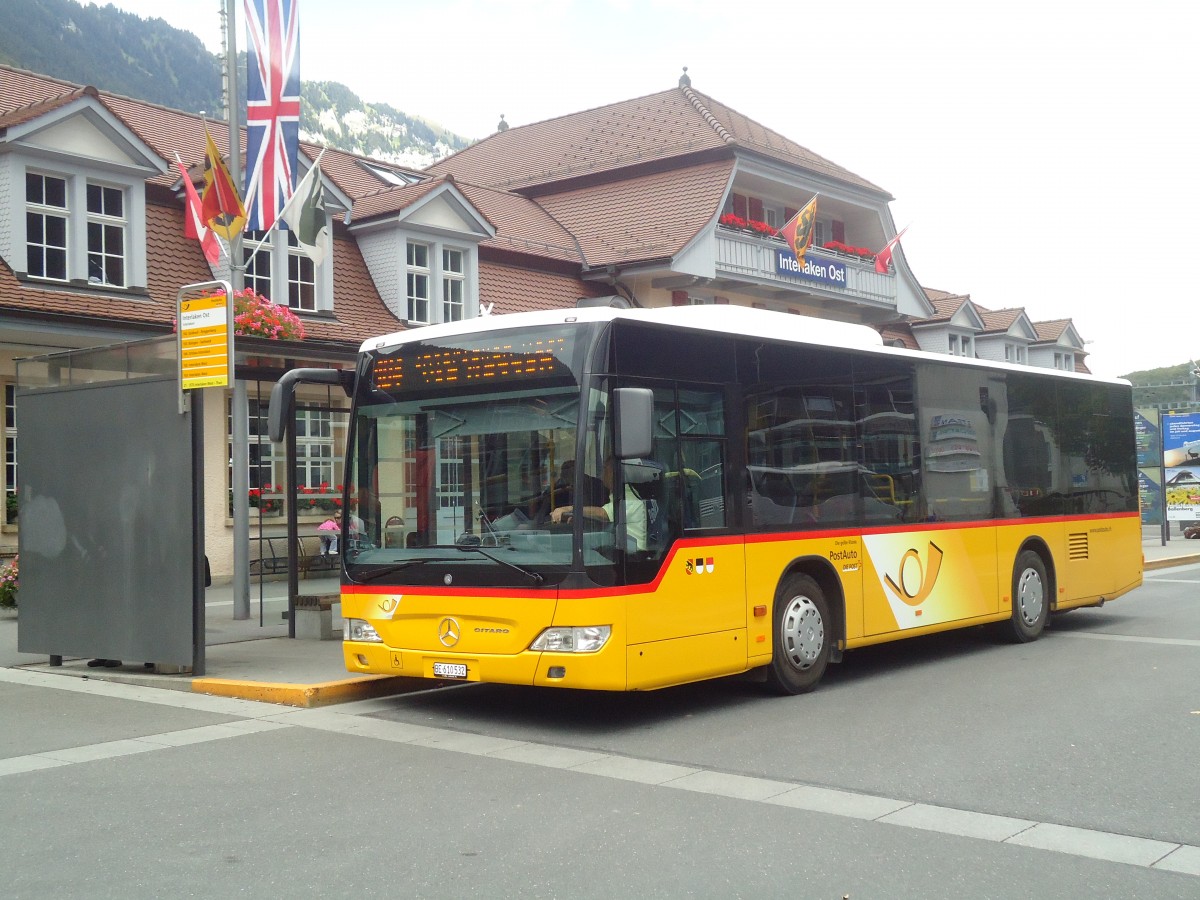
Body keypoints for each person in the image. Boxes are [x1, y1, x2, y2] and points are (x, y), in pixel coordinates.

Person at [550, 457, 647, 551]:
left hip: (633, 557)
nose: (603, 472)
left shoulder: (628, 496)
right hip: (620, 547)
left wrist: (569, 509)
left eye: (605, 468)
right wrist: (582, 518)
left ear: (615, 472)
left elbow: (603, 514)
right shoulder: (615, 493)